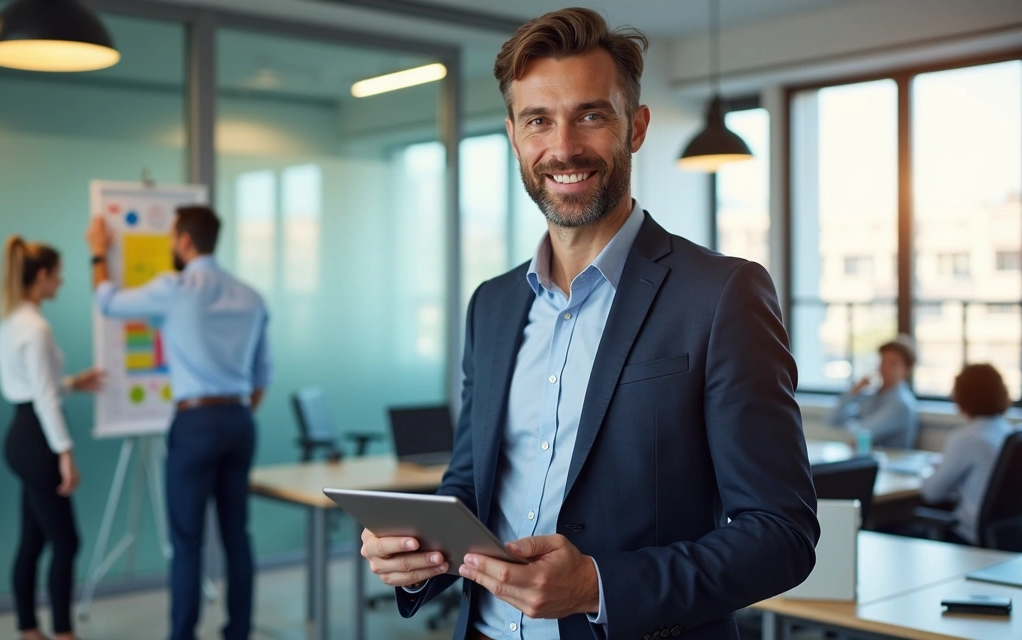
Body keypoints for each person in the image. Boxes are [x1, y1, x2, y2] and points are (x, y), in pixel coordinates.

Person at [359, 8, 819, 640]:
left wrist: (598, 586)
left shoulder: (720, 295)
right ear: (515, 136)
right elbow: (468, 488)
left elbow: (782, 535)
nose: (564, 147)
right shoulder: (490, 306)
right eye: (538, 120)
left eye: (591, 115)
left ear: (636, 127)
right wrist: (416, 559)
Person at [86, 206, 271, 640]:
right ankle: (238, 632)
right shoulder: (251, 295)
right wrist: (234, 414)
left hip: (195, 422)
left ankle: (183, 635)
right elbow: (264, 374)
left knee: (187, 543)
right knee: (236, 535)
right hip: (240, 418)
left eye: (172, 238)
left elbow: (108, 300)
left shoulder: (175, 287)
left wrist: (98, 253)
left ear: (184, 241)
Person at [0, 236, 103, 640]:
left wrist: (74, 382)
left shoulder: (11, 321)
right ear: (41, 276)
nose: (62, 282)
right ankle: (62, 633)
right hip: (38, 441)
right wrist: (66, 454)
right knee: (67, 542)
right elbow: (43, 396)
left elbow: (34, 386)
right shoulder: (36, 327)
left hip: (21, 436)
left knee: (34, 539)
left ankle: (28, 628)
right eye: (58, 274)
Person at [919, 364, 1015, 545]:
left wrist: (928, 470)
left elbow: (931, 493)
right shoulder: (1007, 433)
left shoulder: (966, 438)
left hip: (968, 537)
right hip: (1004, 536)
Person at [829, 335, 919, 449]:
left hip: (890, 464)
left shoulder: (901, 404)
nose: (885, 368)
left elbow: (861, 434)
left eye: (893, 364)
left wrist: (850, 427)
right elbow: (833, 420)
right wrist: (853, 392)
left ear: (907, 370)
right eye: (883, 361)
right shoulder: (873, 396)